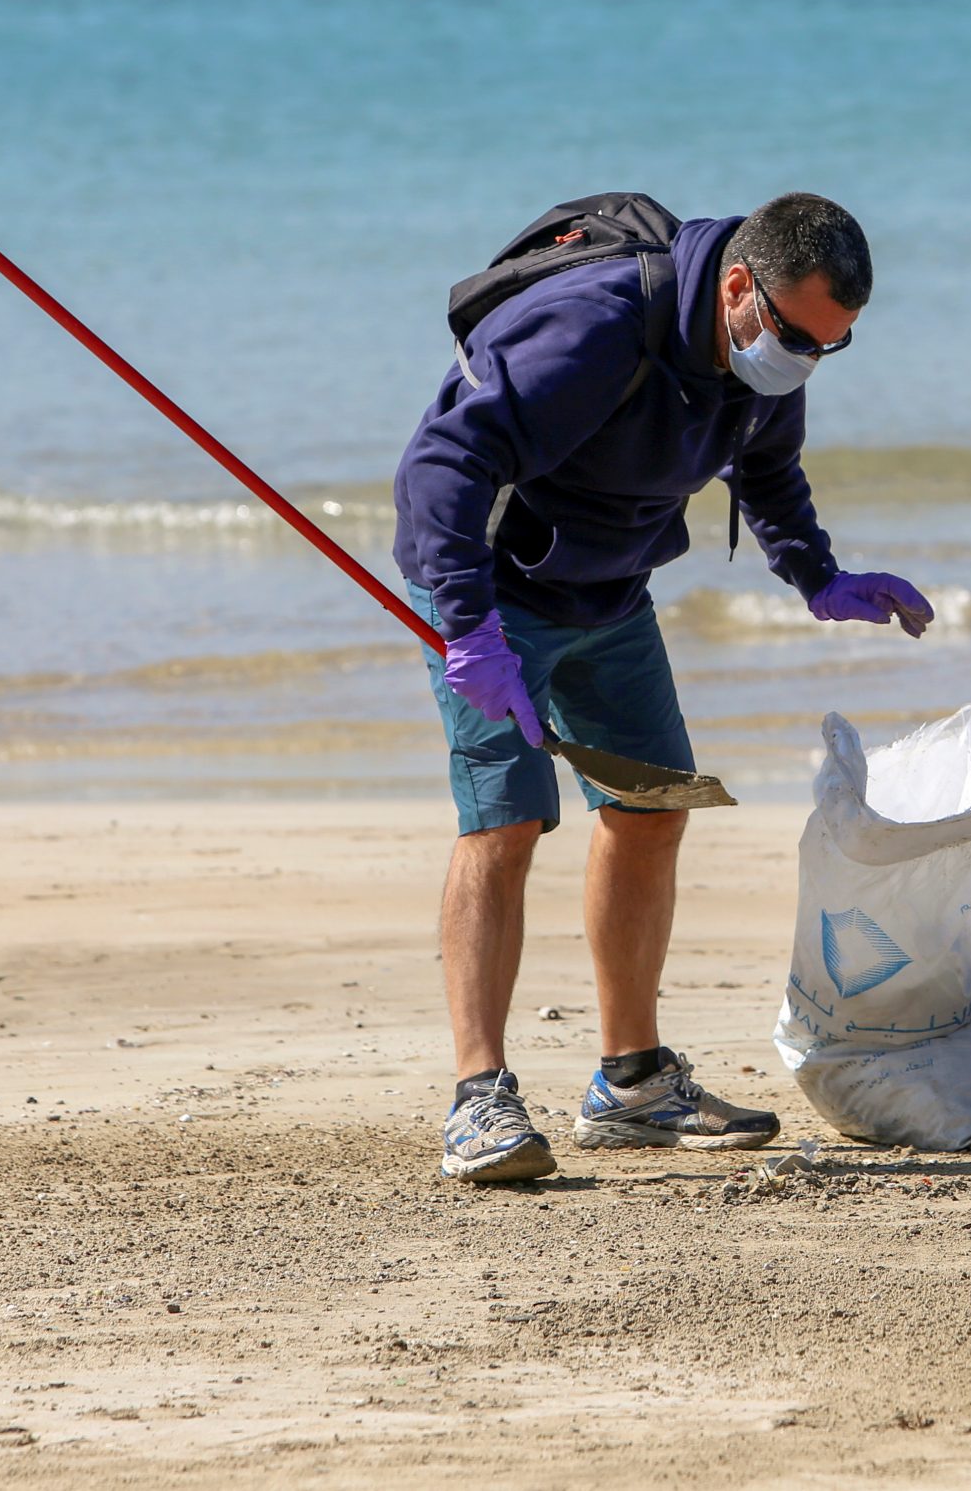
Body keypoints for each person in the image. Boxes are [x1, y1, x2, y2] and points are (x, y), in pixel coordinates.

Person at [394, 192, 934, 1183]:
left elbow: (766, 465)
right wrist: (468, 632)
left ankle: (632, 1083)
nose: (804, 362)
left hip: (611, 591)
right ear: (738, 287)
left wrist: (815, 573)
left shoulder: (769, 347)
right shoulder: (593, 329)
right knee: (504, 824)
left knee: (654, 808)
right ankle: (479, 1100)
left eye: (831, 346)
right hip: (491, 592)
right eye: (797, 336)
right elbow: (442, 466)